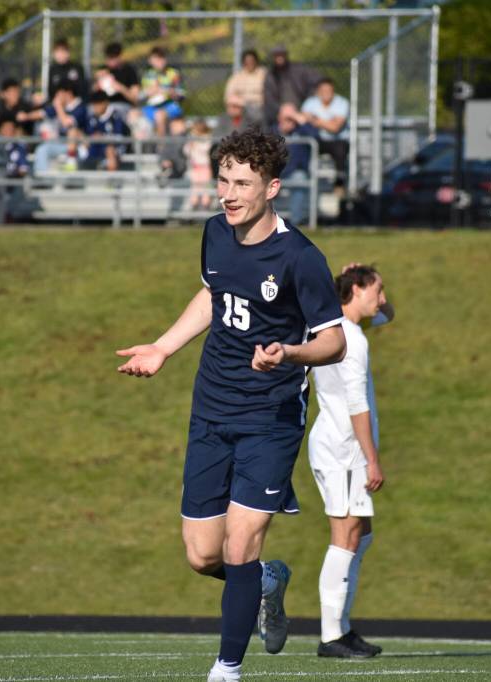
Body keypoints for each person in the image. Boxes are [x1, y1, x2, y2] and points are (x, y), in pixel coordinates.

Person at [116, 127, 347, 682]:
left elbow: (333, 341)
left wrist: (290, 353)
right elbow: (213, 294)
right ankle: (266, 581)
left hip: (269, 418)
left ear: (271, 188)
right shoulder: (216, 233)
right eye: (223, 179)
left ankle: (227, 669)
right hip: (211, 409)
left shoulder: (300, 257)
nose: (229, 192)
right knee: (202, 554)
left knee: (240, 543)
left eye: (241, 182)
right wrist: (164, 347)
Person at [308, 263, 393, 659]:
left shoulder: (337, 328)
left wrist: (376, 299)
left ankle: (341, 625)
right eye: (377, 290)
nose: (382, 298)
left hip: (345, 447)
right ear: (356, 290)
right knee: (345, 537)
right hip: (343, 448)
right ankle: (330, 636)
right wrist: (372, 460)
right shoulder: (352, 340)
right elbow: (357, 404)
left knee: (362, 534)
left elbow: (386, 314)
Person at [299, 78, 350, 191]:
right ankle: (302, 176)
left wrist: (316, 120)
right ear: (318, 92)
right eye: (323, 91)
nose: (326, 94)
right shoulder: (310, 102)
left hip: (337, 141)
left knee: (340, 150)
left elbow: (335, 128)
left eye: (329, 91)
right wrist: (329, 122)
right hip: (317, 139)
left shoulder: (342, 103)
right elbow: (302, 119)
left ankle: (339, 185)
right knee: (302, 144)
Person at [262, 45, 320, 126]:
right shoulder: (270, 75)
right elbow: (269, 98)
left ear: (286, 55)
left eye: (281, 54)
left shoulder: (299, 69)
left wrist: (308, 102)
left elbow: (318, 81)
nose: (279, 58)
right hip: (279, 112)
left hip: (301, 109)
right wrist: (282, 109)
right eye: (276, 55)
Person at [277, 103, 314, 227]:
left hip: (294, 172)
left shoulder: (302, 131)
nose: (288, 121)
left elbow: (317, 137)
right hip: (274, 172)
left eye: (291, 118)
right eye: (285, 118)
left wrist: (300, 119)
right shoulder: (271, 131)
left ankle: (295, 223)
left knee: (300, 178)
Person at [141, 46, 185, 138]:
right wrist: (150, 91)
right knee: (134, 116)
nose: (160, 61)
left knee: (160, 115)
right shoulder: (147, 75)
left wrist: (167, 91)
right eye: (156, 58)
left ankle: (161, 147)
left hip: (170, 105)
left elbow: (182, 94)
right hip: (152, 106)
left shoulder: (173, 74)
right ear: (150, 60)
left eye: (161, 57)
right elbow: (140, 96)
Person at [83, 90, 129, 172]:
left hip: (114, 149)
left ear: (105, 103)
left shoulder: (115, 117)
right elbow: (88, 134)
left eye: (98, 104)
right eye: (94, 104)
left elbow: (120, 137)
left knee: (109, 150)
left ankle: (111, 181)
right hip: (96, 147)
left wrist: (103, 137)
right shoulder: (92, 118)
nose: (95, 107)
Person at [93, 42, 142, 116]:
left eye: (112, 58)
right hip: (102, 104)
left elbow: (135, 99)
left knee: (113, 112)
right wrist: (97, 84)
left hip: (122, 105)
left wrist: (120, 88)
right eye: (107, 58)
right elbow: (91, 92)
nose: (109, 61)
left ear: (119, 57)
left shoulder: (129, 71)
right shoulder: (103, 70)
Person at [224, 49, 266, 125]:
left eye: (251, 60)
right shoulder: (237, 77)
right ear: (243, 63)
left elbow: (267, 96)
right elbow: (228, 95)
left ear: (256, 61)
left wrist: (246, 103)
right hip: (240, 110)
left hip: (258, 109)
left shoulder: (264, 75)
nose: (249, 63)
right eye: (247, 61)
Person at [184, 120, 214, 211]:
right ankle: (194, 205)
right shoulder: (192, 139)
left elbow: (206, 149)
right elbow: (186, 152)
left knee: (206, 188)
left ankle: (205, 205)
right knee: (195, 188)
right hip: (195, 167)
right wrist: (190, 146)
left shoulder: (207, 138)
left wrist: (196, 144)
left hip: (205, 167)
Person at [47, 38, 87, 103]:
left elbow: (82, 90)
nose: (60, 54)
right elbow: (50, 92)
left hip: (74, 104)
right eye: (57, 51)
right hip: (57, 104)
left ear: (68, 53)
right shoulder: (52, 69)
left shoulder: (77, 68)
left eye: (62, 51)